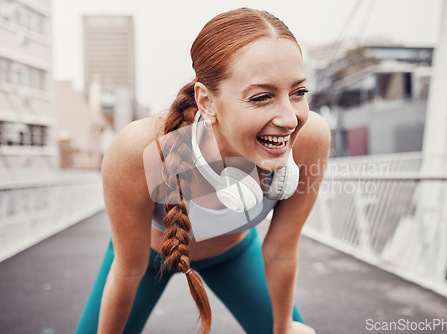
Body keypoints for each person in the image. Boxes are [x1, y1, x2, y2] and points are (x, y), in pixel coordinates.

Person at [76, 7, 330, 334]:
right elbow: (127, 270)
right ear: (207, 102)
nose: (289, 119)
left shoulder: (310, 140)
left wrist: (283, 329)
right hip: (147, 258)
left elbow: (281, 251)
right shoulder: (141, 150)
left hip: (234, 254)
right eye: (262, 97)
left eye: (298, 92)